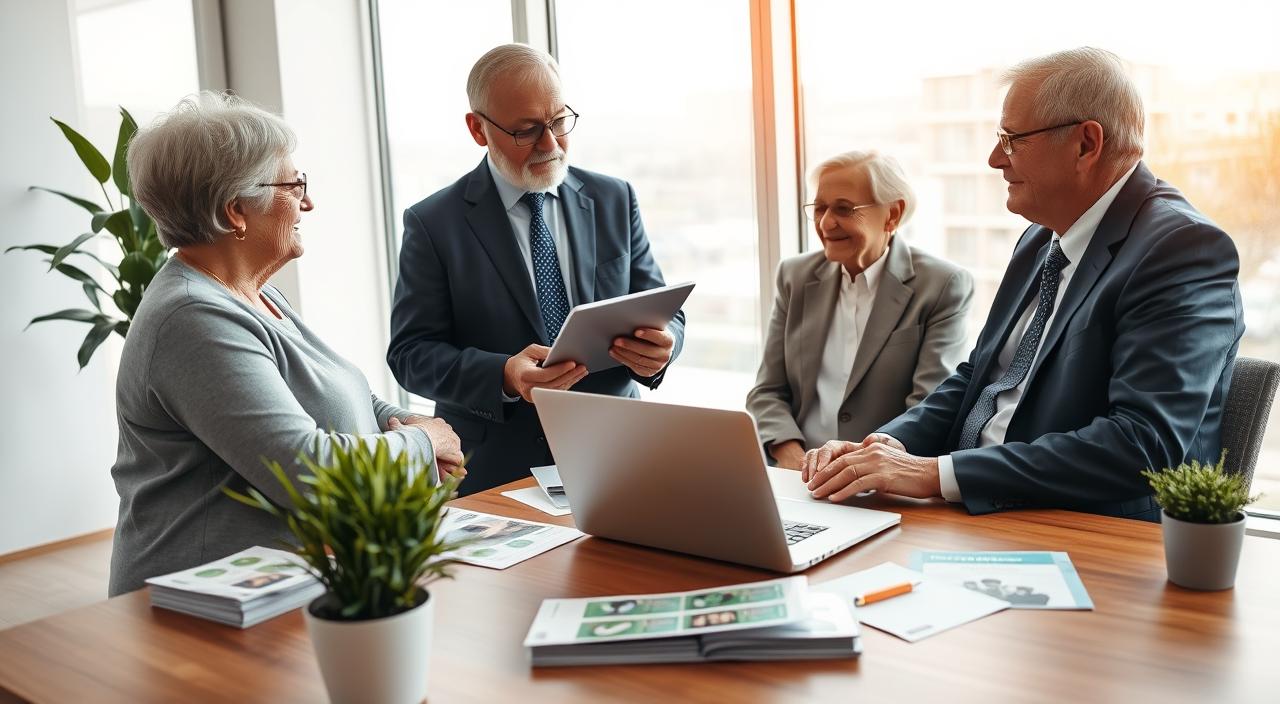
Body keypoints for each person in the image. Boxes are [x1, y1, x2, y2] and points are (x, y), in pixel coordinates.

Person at [800, 48, 1244, 521]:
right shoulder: (1041, 236)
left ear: (1085, 144)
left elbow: (1141, 444)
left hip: (1083, 531)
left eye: (1012, 140)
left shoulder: (1183, 250)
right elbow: (981, 376)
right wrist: (887, 445)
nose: (995, 159)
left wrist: (935, 474)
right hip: (976, 510)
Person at [108, 92, 463, 596]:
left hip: (273, 589)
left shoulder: (255, 293)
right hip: (201, 604)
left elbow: (335, 388)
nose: (308, 202)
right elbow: (306, 472)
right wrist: (423, 445)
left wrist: (396, 420)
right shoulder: (193, 318)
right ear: (235, 211)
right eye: (294, 185)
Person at [387, 43, 686, 494]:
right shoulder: (433, 223)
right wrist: (504, 374)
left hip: (617, 455)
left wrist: (665, 349)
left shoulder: (613, 198)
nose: (550, 144)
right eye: (526, 131)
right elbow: (410, 354)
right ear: (477, 129)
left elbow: (664, 312)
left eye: (559, 122)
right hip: (495, 474)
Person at [746, 151, 973, 469]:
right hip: (796, 473)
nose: (825, 223)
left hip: (883, 478)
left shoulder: (942, 285)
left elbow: (928, 406)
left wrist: (855, 468)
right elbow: (767, 391)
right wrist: (794, 460)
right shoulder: (793, 276)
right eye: (820, 208)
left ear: (892, 214)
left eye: (843, 208)